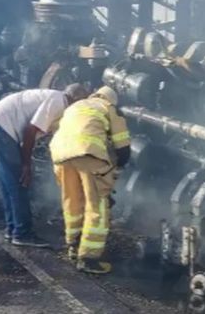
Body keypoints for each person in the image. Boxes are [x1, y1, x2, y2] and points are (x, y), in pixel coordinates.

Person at [0, 83, 89, 247]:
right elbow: (30, 131)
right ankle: (22, 233)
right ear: (75, 99)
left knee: (9, 185)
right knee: (20, 182)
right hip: (1, 129)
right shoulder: (58, 101)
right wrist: (26, 164)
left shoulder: (57, 101)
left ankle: (12, 229)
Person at [49, 85, 131, 274]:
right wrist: (117, 169)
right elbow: (123, 148)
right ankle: (89, 258)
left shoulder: (76, 106)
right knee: (97, 206)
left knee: (73, 202)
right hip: (87, 154)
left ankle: (73, 246)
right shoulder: (109, 109)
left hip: (60, 156)